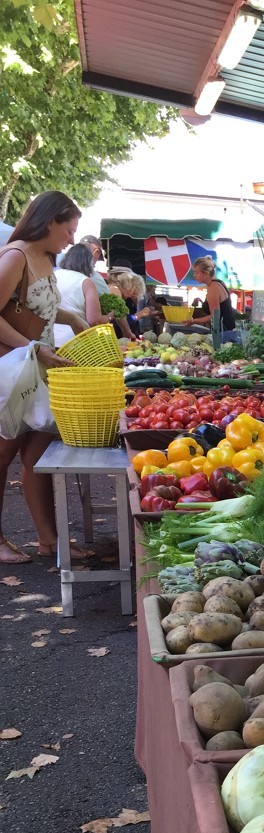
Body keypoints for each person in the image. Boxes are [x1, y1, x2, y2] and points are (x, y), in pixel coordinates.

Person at [0, 190, 92, 564]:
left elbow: (43, 306)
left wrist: (73, 318)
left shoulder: (45, 257)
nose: (72, 239)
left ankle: (50, 540)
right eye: (69, 229)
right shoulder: (15, 256)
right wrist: (34, 348)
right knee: (2, 457)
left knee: (38, 457)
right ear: (50, 221)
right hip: (13, 373)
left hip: (39, 372)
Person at [189, 256, 239, 342]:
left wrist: (193, 321)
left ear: (206, 273)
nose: (194, 275)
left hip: (224, 334)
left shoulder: (213, 288)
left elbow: (214, 316)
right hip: (229, 332)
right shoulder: (218, 283)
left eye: (197, 273)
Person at [55, 244, 105, 328]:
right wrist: (110, 316)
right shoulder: (86, 282)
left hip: (50, 335)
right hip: (77, 336)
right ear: (88, 263)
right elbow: (94, 320)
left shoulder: (54, 275)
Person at [107, 267, 151, 339]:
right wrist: (128, 333)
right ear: (129, 287)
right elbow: (120, 317)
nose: (131, 297)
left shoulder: (112, 288)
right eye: (133, 293)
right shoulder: (115, 290)